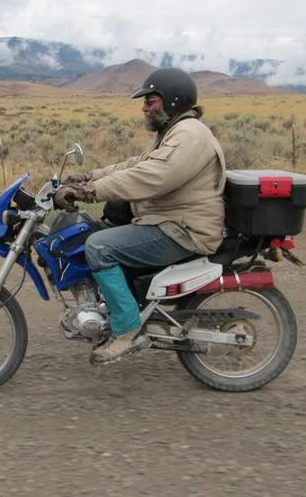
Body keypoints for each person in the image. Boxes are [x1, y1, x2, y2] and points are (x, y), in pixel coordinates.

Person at [54, 67, 226, 364]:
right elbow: (135, 165)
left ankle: (127, 331)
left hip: (183, 229)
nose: (144, 107)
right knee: (96, 231)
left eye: (151, 101)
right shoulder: (173, 132)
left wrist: (90, 192)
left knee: (99, 246)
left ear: (172, 100)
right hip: (168, 221)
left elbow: (152, 176)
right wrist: (86, 177)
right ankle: (120, 307)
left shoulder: (190, 134)